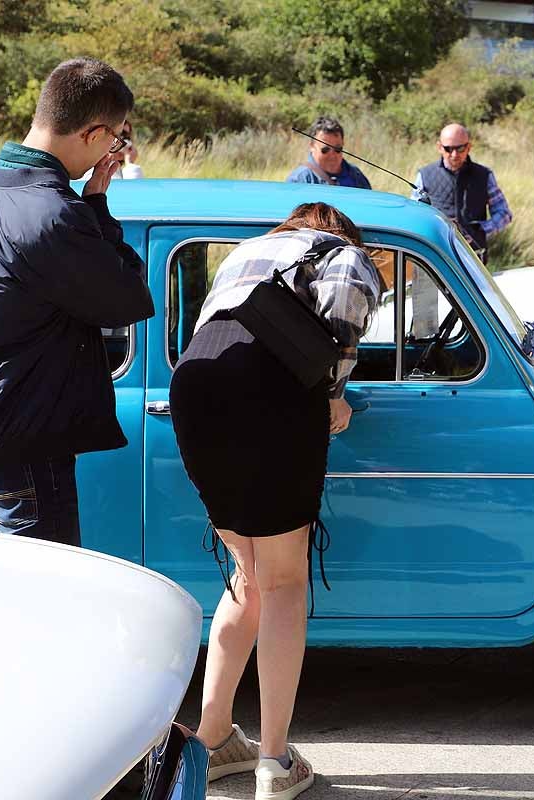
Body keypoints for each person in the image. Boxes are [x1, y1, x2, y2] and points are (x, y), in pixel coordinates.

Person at [169, 202, 380, 800]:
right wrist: (336, 391)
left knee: (248, 574)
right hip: (268, 396)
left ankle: (213, 740)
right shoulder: (341, 254)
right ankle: (275, 761)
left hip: (196, 388)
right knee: (286, 583)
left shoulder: (245, 254)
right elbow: (343, 299)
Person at [0, 57, 154, 547]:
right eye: (114, 140)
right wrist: (96, 204)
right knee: (45, 605)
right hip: (25, 443)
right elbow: (128, 299)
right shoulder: (55, 214)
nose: (112, 152)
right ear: (95, 135)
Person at [412, 123, 512, 263]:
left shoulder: (484, 175)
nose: (454, 155)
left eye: (460, 148)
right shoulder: (424, 175)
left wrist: (480, 230)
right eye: (448, 149)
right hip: (435, 259)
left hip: (474, 259)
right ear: (440, 147)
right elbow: (415, 216)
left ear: (469, 147)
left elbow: (504, 213)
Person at [286, 117, 371, 189]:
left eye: (338, 149)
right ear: (312, 146)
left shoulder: (356, 175)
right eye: (325, 149)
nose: (332, 155)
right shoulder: (300, 180)